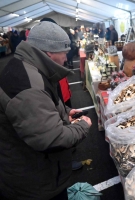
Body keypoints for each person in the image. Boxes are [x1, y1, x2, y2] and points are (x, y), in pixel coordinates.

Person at [0, 21, 92, 200]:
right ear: (49, 52)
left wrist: (65, 112)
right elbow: (52, 139)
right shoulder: (27, 86)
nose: (66, 58)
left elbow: (41, 108)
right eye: (64, 52)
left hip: (36, 174)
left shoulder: (28, 66)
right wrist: (82, 126)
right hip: (33, 184)